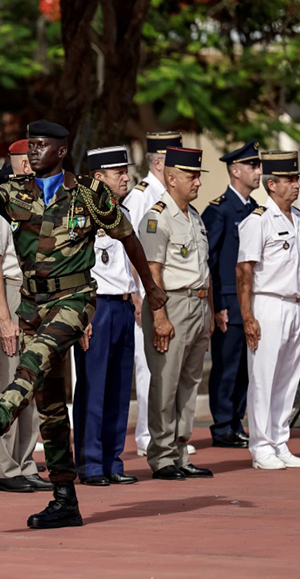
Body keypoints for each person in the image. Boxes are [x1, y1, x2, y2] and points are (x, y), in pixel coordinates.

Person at [0, 119, 167, 530]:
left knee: (32, 362)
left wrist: (152, 288)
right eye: (30, 145)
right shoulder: (16, 191)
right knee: (50, 407)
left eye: (40, 145)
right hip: (33, 304)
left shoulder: (89, 194)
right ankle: (65, 499)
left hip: (74, 300)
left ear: (61, 151)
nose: (32, 151)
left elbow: (129, 239)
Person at [138, 146, 215, 481]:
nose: (197, 181)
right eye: (190, 175)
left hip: (197, 304)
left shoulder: (194, 216)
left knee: (189, 384)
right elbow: (152, 271)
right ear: (171, 178)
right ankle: (161, 455)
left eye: (198, 175)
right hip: (171, 304)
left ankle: (181, 451)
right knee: (165, 383)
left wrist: (209, 309)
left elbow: (204, 269)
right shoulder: (157, 217)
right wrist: (159, 316)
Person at [0, 140, 51, 494]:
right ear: (23, 165)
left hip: (35, 294)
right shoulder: (0, 204)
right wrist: (5, 319)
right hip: (7, 292)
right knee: (6, 380)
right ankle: (5, 466)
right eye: (33, 159)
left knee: (31, 381)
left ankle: (24, 461)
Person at [236, 151, 300, 470]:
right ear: (272, 184)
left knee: (288, 378)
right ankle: (261, 445)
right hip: (268, 303)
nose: (296, 185)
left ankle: (280, 441)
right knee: (264, 378)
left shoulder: (299, 218)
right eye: (289, 180)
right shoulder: (258, 219)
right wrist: (248, 316)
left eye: (297, 179)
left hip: (297, 306)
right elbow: (244, 271)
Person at [73, 146, 140, 487]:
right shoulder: (82, 213)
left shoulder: (124, 211)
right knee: (93, 387)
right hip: (96, 307)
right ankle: (91, 463)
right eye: (118, 173)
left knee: (117, 388)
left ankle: (114, 459)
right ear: (98, 177)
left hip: (123, 305)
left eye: (125, 171)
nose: (125, 177)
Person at [121, 131, 186, 458]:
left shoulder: (170, 194)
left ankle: (163, 433)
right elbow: (133, 250)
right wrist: (138, 295)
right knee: (149, 368)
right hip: (146, 295)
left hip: (167, 295)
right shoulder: (142, 196)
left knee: (165, 366)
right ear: (159, 162)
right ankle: (147, 435)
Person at [203, 141, 260, 449]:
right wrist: (218, 305)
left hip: (247, 300)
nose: (258, 171)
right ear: (235, 171)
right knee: (226, 365)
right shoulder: (220, 209)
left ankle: (236, 420)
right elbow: (210, 260)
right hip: (228, 300)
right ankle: (223, 424)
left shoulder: (254, 210)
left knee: (244, 368)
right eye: (252, 166)